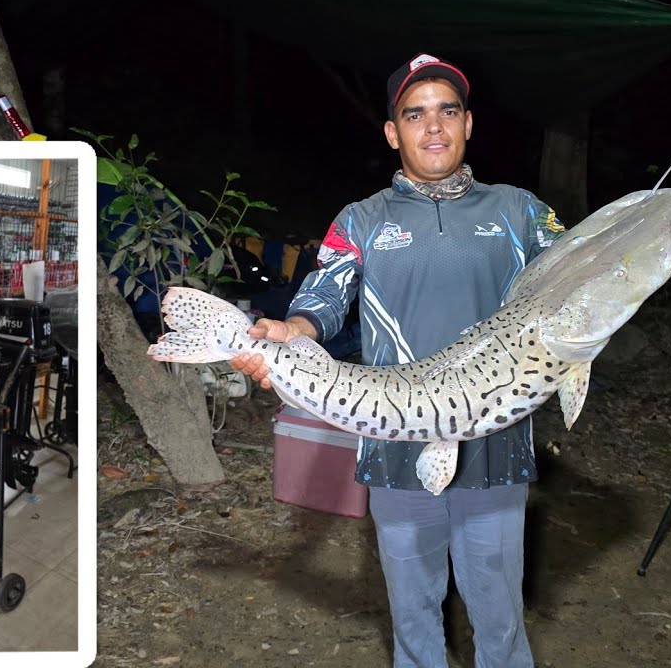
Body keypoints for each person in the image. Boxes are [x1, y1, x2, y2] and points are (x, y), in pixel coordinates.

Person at [232, 54, 565, 667]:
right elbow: (322, 300)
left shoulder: (520, 211)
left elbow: (576, 280)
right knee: (413, 612)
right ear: (393, 132)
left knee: (499, 613)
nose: (433, 126)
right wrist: (290, 333)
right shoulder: (360, 220)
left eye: (448, 110)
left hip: (496, 446)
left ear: (469, 124)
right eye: (415, 114)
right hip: (395, 445)